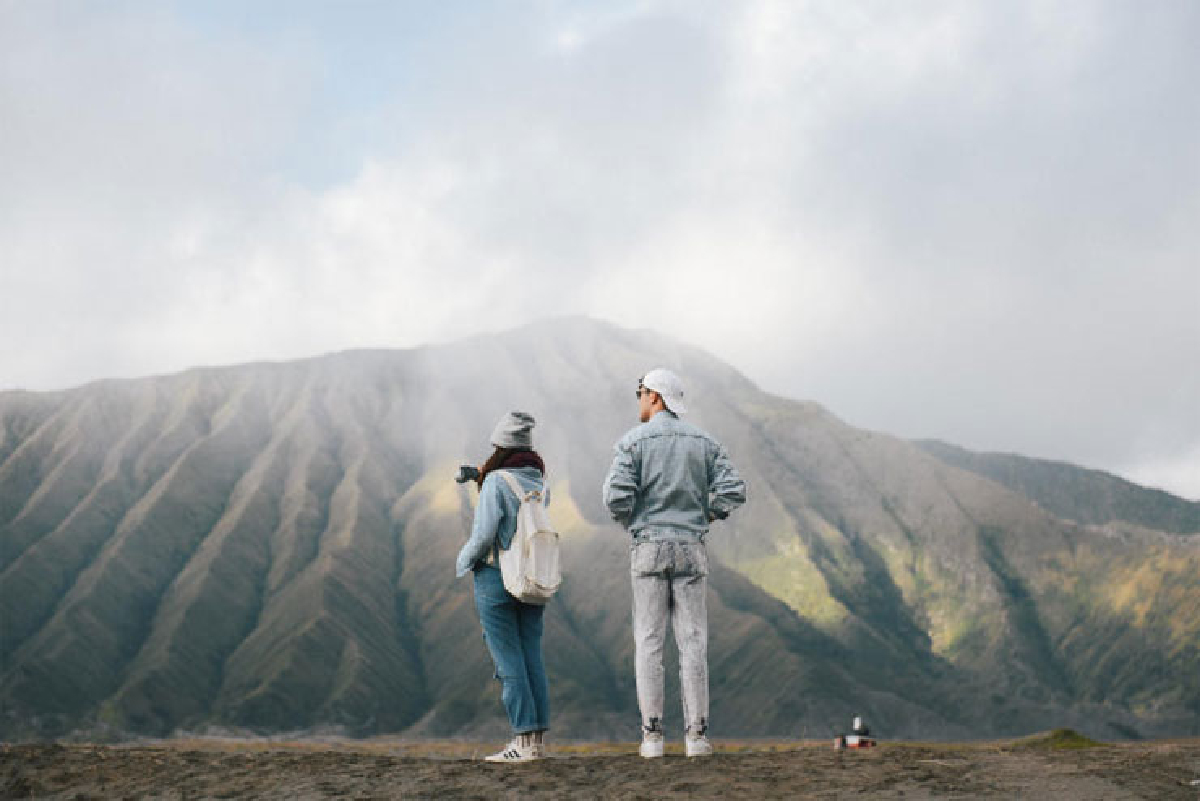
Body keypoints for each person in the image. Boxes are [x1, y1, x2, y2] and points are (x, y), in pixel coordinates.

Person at [603, 368, 746, 759]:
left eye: (640, 392)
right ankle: (696, 737)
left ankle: (652, 738)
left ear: (655, 396)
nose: (638, 400)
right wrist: (707, 514)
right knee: (693, 643)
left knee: (649, 643)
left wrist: (635, 522)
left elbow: (615, 498)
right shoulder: (705, 442)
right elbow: (735, 490)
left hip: (648, 547)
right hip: (690, 547)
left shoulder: (631, 443)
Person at [455, 411, 551, 763]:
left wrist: (463, 561)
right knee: (530, 656)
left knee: (506, 657)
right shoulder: (541, 481)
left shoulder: (496, 483)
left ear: (501, 447)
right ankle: (536, 740)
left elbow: (483, 535)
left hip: (496, 577)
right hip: (532, 576)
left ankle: (521, 740)